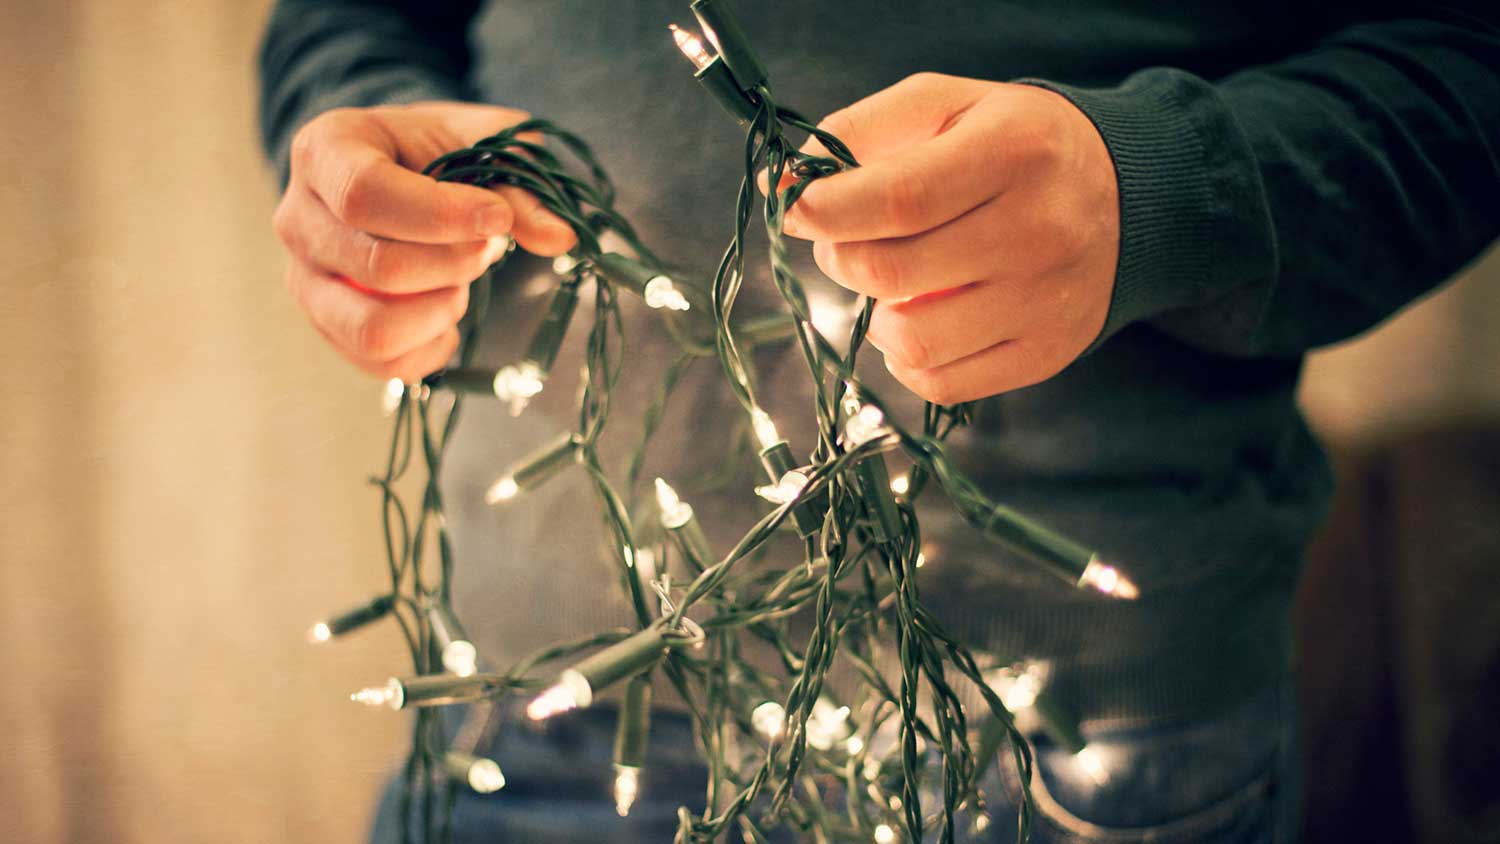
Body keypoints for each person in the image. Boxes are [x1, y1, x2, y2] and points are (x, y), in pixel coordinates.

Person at [258, 2, 1500, 842]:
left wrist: (1161, 188)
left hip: (1072, 763)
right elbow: (353, 16)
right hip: (526, 723)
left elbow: (1461, 62)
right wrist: (358, 124)